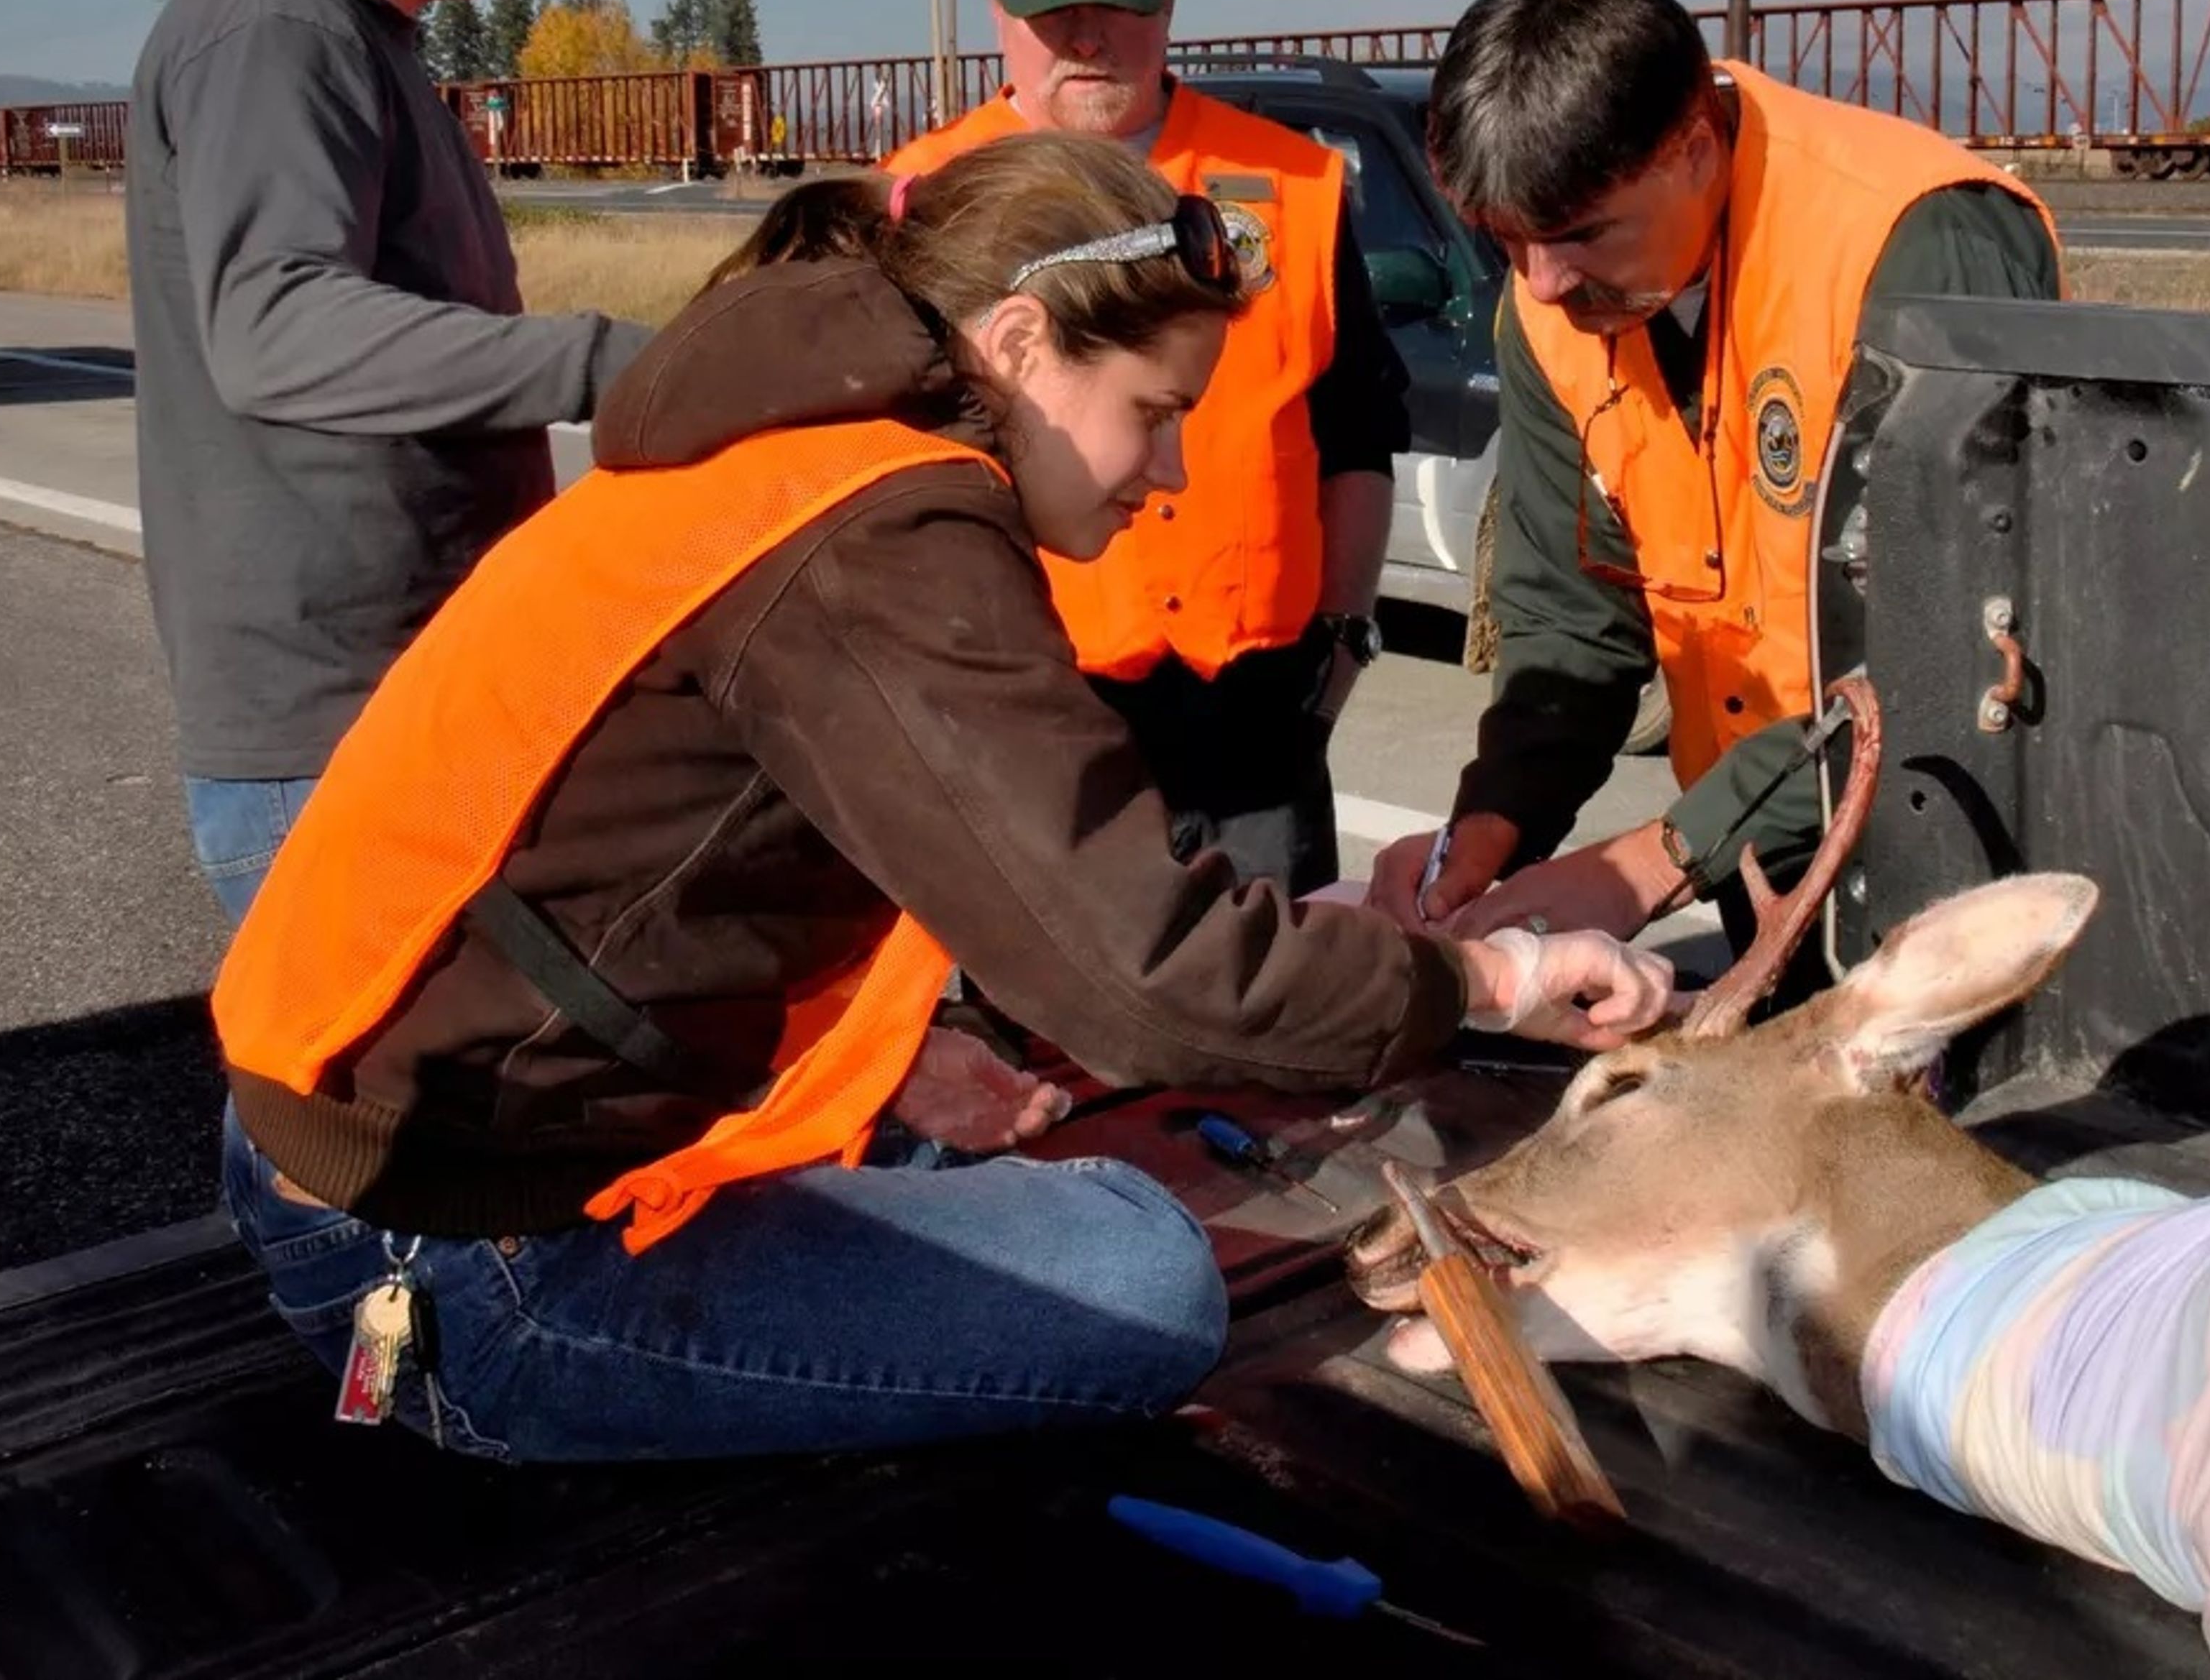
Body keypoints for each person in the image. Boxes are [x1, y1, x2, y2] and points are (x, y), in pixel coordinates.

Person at [210, 131, 1677, 1464]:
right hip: (470, 1260)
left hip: (368, 1159)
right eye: (1156, 412)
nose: (1169, 473)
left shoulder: (794, 450)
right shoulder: (890, 531)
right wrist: (1491, 974)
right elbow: (1145, 971)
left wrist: (915, 1056)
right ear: (1023, 340)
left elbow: (670, 872)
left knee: (1005, 1160)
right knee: (1144, 1276)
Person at [1367, 0, 2061, 974]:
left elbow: (1946, 643)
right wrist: (1489, 828)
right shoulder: (1549, 305)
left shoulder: (1913, 245)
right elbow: (1571, 619)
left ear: (1695, 146)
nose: (1542, 284)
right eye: (1505, 241)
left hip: (1947, 861)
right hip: (1762, 872)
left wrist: (1656, 860)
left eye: (1582, 235)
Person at [125, 0, 648, 924]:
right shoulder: (276, 33)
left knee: (405, 1107)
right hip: (336, 731)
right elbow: (274, 328)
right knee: (358, 1114)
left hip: (406, 698)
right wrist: (597, 362)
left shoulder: (361, 40)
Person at [879, 0, 1409, 899]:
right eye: (1052, 9)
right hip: (1025, 715)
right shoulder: (925, 198)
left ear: (1169, 1)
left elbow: (1356, 430)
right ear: (994, 9)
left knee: (1274, 1031)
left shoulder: (1299, 185)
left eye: (1118, 5)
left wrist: (1341, 645)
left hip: (1256, 725)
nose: (1087, 37)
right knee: (1040, 1045)